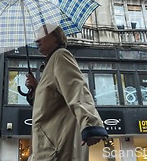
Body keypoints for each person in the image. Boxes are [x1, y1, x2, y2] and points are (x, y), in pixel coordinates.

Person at [25, 24, 108, 160]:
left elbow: (77, 89)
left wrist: (90, 125)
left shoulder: (60, 56)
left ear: (56, 37)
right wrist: (36, 88)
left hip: (57, 149)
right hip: (47, 148)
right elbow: (49, 105)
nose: (36, 40)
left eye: (41, 35)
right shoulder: (50, 64)